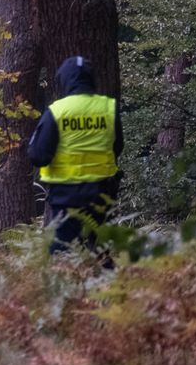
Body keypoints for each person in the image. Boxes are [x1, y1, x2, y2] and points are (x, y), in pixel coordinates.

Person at [26, 55, 123, 255]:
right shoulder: (108, 108)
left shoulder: (58, 111)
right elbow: (118, 146)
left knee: (63, 260)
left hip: (66, 199)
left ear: (65, 80)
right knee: (103, 257)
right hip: (102, 196)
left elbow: (38, 156)